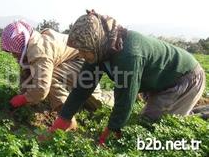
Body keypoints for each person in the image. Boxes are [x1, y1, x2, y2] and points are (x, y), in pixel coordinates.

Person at [48, 10, 206, 145]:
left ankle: (202, 116)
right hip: (159, 81)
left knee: (151, 124)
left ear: (96, 43)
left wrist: (107, 136)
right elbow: (82, 87)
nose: (81, 55)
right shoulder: (100, 50)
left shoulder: (128, 55)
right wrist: (63, 119)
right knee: (156, 116)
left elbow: (125, 98)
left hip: (185, 78)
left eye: (84, 50)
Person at [0, 20, 108, 130]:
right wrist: (25, 94)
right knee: (41, 75)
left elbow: (41, 89)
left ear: (22, 43)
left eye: (14, 51)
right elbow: (28, 73)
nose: (13, 55)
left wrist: (23, 98)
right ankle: (72, 104)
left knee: (48, 78)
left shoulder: (39, 51)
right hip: (73, 62)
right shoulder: (31, 44)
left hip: (83, 62)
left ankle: (67, 120)